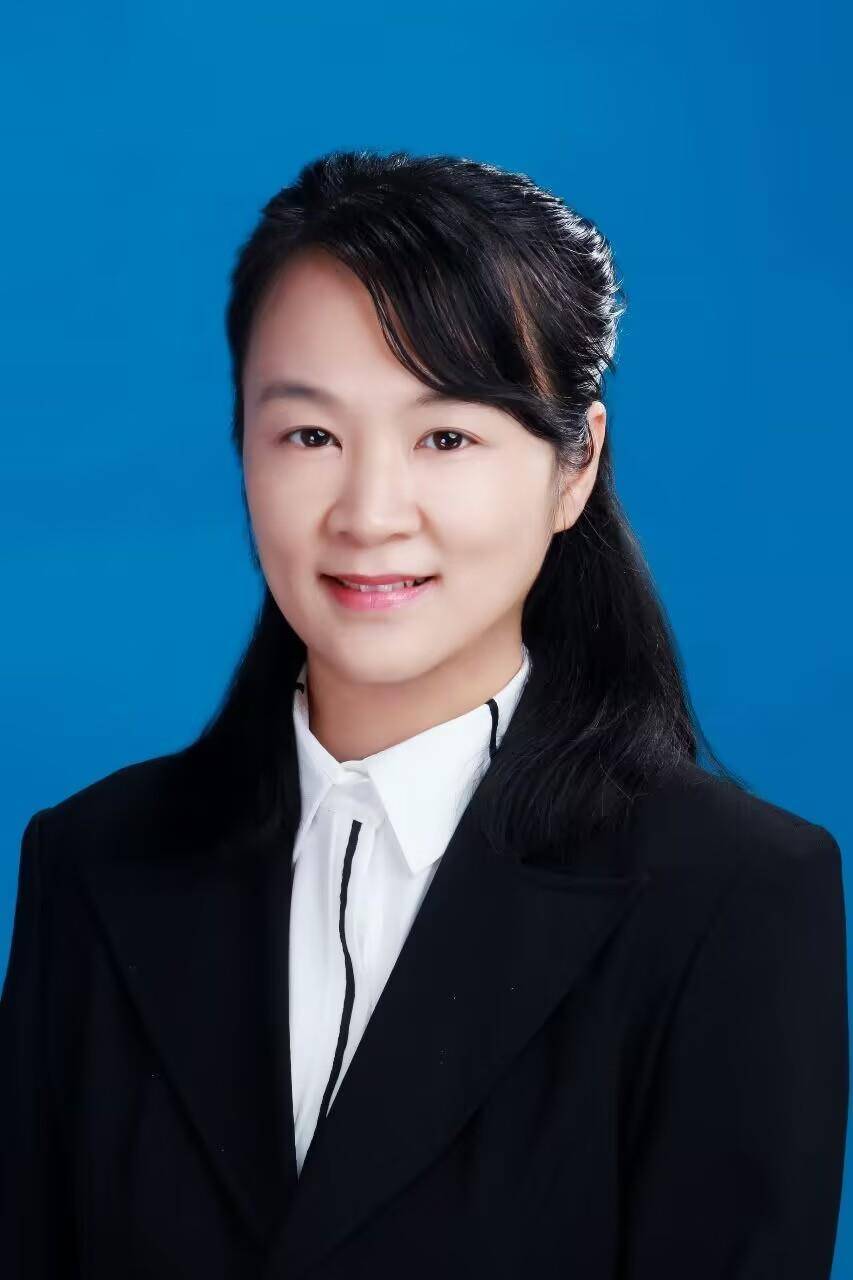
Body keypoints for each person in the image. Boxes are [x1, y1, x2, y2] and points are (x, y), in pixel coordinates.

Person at [0, 148, 847, 1278]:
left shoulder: (734, 896)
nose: (368, 513)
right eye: (310, 434)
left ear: (574, 466)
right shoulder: (92, 862)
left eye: (446, 436)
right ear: (243, 445)